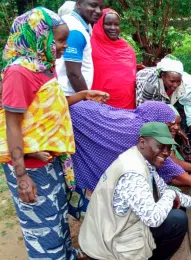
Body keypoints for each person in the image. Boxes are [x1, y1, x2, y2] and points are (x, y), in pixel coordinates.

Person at [0, 7, 107, 259]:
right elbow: (11, 125)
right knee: (42, 228)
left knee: (57, 214)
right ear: (38, 36)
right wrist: (22, 176)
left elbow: (44, 108)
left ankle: (66, 254)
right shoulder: (18, 73)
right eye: (59, 40)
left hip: (49, 160)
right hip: (30, 165)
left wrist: (81, 96)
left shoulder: (42, 66)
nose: (63, 46)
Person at [79, 122, 191, 260]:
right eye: (160, 146)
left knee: (177, 215)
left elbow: (165, 190)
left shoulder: (141, 161)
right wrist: (171, 195)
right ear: (142, 142)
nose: (165, 152)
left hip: (113, 227)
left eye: (168, 148)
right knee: (177, 219)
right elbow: (153, 218)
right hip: (109, 240)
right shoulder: (133, 172)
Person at [66, 101, 191, 219]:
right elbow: (169, 170)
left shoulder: (144, 147)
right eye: (170, 124)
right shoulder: (139, 148)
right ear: (143, 142)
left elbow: (169, 170)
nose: (174, 128)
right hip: (119, 233)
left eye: (176, 125)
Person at [55, 0, 104, 96]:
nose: (98, 11)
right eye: (93, 5)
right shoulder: (75, 29)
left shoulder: (72, 23)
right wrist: (87, 99)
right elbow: (73, 73)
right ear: (78, 4)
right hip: (70, 95)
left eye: (101, 7)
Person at [91, 8, 137, 109]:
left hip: (126, 106)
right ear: (100, 25)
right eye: (108, 24)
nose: (113, 28)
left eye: (116, 24)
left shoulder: (128, 49)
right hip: (100, 106)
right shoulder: (90, 46)